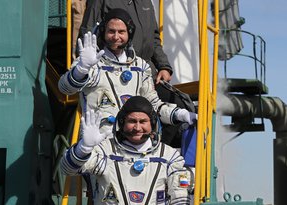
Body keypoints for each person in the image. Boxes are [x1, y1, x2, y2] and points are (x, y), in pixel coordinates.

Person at [58, 8, 197, 137]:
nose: (116, 37)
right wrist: (81, 69)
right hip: (99, 143)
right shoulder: (91, 63)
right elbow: (65, 89)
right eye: (111, 31)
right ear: (103, 33)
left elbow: (153, 105)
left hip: (132, 144)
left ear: (129, 33)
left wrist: (182, 114)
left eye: (121, 32)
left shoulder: (141, 66)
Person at [60, 96, 192, 204]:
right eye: (132, 121)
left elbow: (180, 198)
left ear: (152, 124)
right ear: (122, 123)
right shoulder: (105, 152)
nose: (137, 127)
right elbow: (67, 169)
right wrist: (83, 148)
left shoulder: (169, 156)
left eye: (143, 121)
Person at [79, 0, 172, 84]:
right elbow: (87, 34)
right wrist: (86, 71)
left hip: (147, 73)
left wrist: (164, 67)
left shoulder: (146, 2)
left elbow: (154, 37)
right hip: (114, 74)